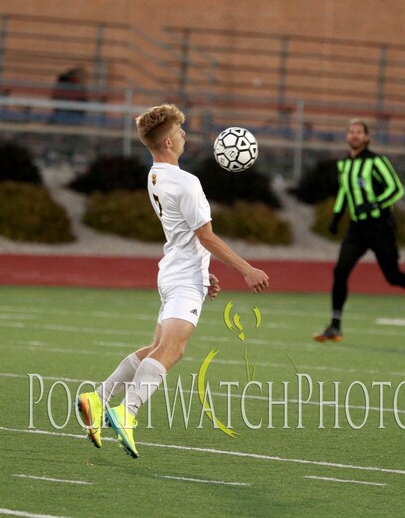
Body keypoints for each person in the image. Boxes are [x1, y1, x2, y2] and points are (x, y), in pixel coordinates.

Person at [77, 103, 269, 458]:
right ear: (167, 142)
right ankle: (126, 412)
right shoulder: (186, 182)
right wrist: (246, 269)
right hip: (182, 278)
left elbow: (185, 235)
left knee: (156, 349)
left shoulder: (155, 176)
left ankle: (98, 398)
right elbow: (206, 236)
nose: (184, 135)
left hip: (176, 271)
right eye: (179, 131)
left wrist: (201, 270)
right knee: (173, 350)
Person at [314, 118, 405, 342]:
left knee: (392, 276)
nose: (354, 135)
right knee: (340, 271)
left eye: (358, 132)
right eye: (351, 132)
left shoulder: (376, 161)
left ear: (367, 137)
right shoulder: (344, 164)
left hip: (380, 226)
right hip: (356, 229)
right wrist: (336, 216)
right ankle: (335, 325)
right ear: (347, 137)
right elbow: (345, 191)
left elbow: (396, 189)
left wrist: (374, 204)